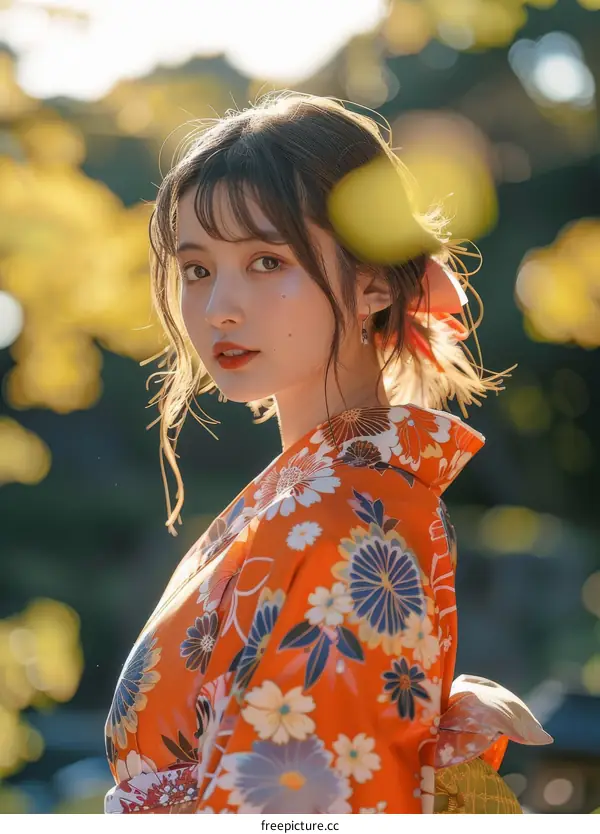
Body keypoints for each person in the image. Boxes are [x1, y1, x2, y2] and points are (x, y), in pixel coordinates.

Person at [103, 92, 551, 815]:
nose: (220, 306)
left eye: (266, 260)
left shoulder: (343, 521)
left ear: (372, 281)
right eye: (196, 269)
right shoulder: (322, 498)